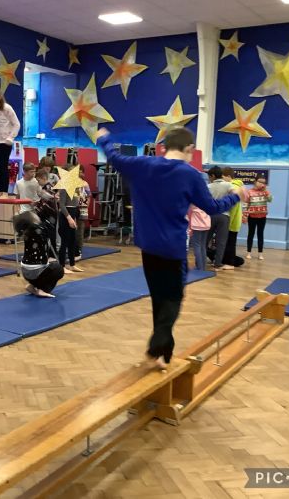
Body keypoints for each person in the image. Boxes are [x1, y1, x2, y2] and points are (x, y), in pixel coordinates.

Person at [96, 126, 244, 370]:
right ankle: (156, 347)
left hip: (148, 246)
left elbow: (114, 157)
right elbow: (212, 207)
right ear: (189, 148)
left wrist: (105, 138)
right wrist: (236, 195)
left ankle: (165, 353)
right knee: (173, 299)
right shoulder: (191, 174)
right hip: (172, 248)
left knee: (159, 298)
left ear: (164, 146)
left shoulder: (142, 164)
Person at [13, 205, 64, 298]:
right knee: (59, 269)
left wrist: (41, 207)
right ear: (33, 221)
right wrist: (45, 207)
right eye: (35, 215)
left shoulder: (28, 232)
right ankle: (43, 290)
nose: (37, 215)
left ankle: (32, 286)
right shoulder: (39, 230)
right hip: (35, 271)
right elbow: (51, 220)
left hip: (26, 272)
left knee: (50, 265)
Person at [206, 166, 235, 271]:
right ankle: (217, 264)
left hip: (210, 215)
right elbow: (235, 195)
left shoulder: (208, 186)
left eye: (209, 177)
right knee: (221, 241)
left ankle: (200, 262)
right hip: (224, 216)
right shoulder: (228, 185)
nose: (209, 179)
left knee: (205, 239)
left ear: (213, 176)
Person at [58, 164, 84, 274]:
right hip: (66, 215)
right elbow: (62, 205)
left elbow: (76, 203)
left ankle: (72, 264)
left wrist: (75, 218)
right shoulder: (64, 186)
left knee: (72, 241)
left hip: (73, 213)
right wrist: (69, 218)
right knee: (64, 241)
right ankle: (62, 266)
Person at [244, 174, 273, 260]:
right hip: (252, 216)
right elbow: (245, 204)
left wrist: (266, 192)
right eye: (260, 182)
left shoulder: (265, 192)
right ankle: (248, 252)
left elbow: (270, 200)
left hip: (262, 216)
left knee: (260, 234)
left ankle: (260, 253)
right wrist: (244, 216)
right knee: (251, 234)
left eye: (263, 183)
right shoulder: (249, 192)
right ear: (255, 182)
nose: (261, 184)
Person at [221, 167, 245, 268]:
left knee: (230, 243)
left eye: (223, 178)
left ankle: (230, 263)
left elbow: (233, 207)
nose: (222, 180)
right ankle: (229, 261)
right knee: (230, 242)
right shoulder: (237, 187)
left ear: (228, 176)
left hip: (232, 221)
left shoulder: (233, 188)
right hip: (234, 221)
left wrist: (228, 223)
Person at [75, 165, 91, 261]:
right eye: (78, 171)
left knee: (80, 230)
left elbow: (88, 196)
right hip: (73, 208)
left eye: (81, 171)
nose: (80, 173)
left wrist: (86, 205)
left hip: (82, 209)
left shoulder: (85, 184)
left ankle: (79, 249)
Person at [188, 205, 210, 271]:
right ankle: (203, 268)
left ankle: (200, 268)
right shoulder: (206, 200)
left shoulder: (193, 203)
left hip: (197, 225)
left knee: (197, 246)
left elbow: (189, 213)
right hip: (206, 225)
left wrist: (190, 228)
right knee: (202, 246)